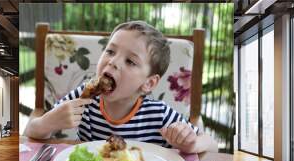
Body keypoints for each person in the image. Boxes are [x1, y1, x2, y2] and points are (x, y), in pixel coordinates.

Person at [25, 21, 217, 154]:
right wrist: (48, 122)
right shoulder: (83, 99)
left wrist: (192, 144)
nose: (113, 62)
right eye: (110, 51)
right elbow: (32, 131)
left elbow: (211, 144)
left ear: (148, 83)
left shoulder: (159, 115)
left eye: (130, 61)